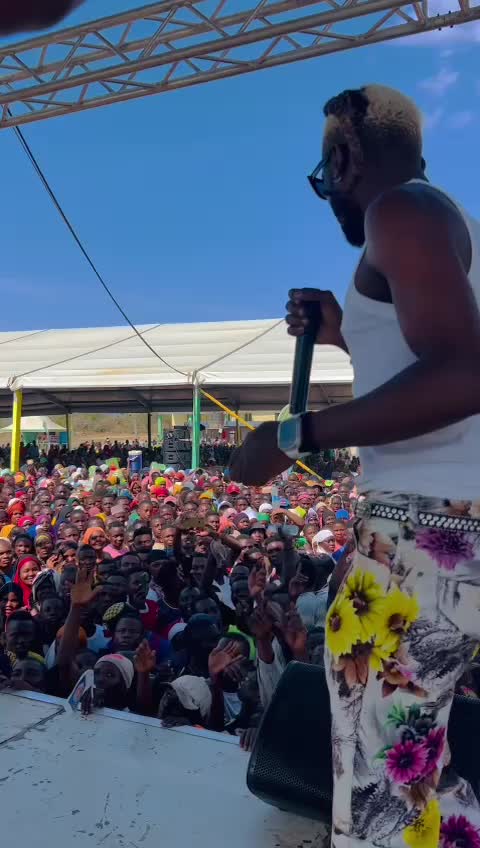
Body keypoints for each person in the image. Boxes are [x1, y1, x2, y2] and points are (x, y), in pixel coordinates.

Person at [229, 84, 480, 846]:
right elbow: (428, 356)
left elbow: (464, 374)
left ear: (346, 158)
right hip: (437, 530)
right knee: (415, 771)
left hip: (425, 531)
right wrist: (346, 331)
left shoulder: (397, 212)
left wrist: (294, 434)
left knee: (379, 792)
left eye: (323, 175)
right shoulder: (443, 219)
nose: (328, 194)